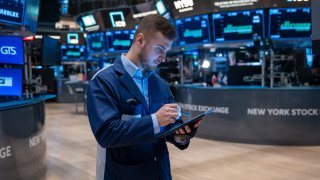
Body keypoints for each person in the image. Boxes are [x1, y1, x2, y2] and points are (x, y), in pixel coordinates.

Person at [87, 14, 201, 180]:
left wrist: (181, 134)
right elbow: (107, 134)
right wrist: (155, 120)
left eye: (166, 52)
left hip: (159, 172)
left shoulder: (159, 83)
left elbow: (167, 126)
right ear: (140, 40)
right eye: (159, 49)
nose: (163, 58)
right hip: (123, 173)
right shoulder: (104, 81)